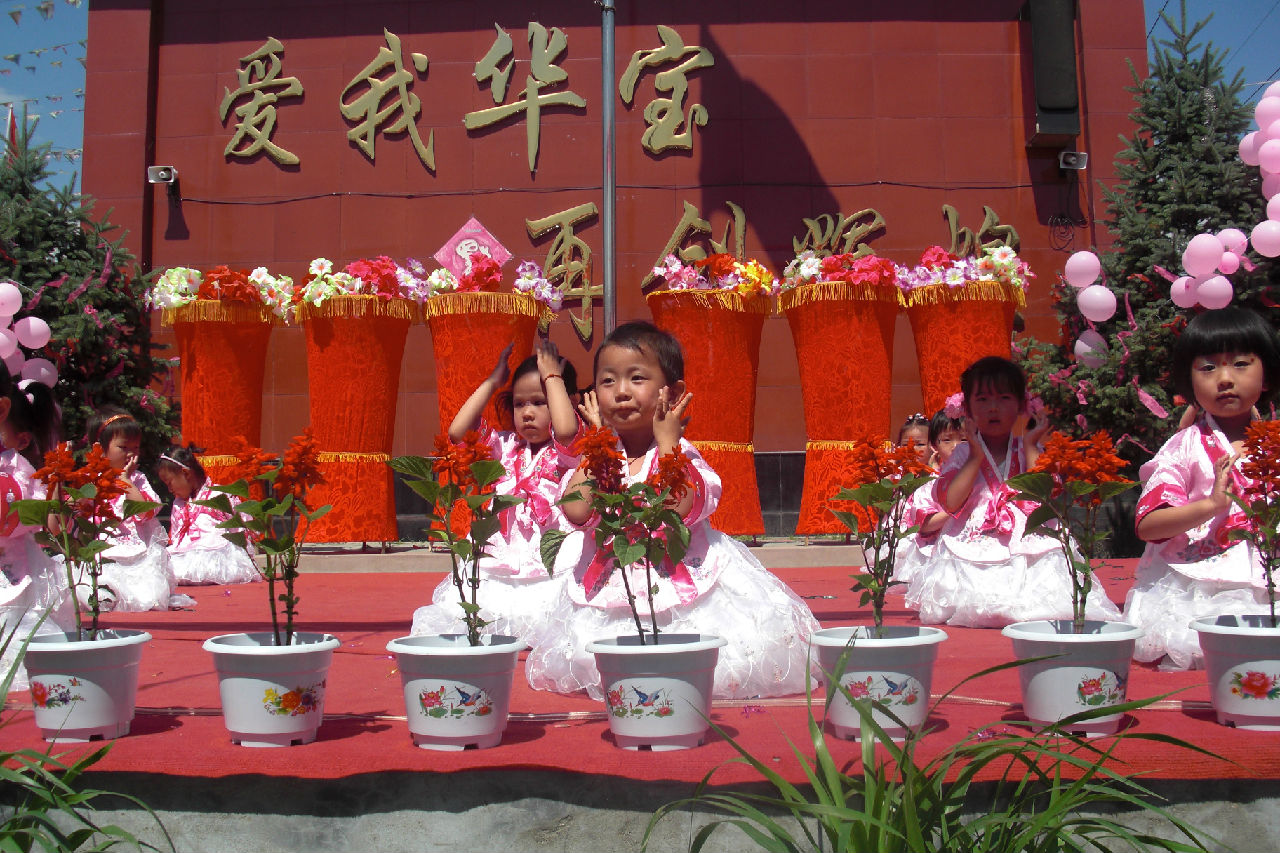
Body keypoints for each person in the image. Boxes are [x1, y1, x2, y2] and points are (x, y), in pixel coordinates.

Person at [525, 320, 820, 700]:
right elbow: (579, 511)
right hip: (617, 581)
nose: (621, 392)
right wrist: (597, 448)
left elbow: (676, 508)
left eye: (636, 378)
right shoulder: (602, 455)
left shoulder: (679, 452)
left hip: (677, 577)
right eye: (608, 381)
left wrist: (668, 444)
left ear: (673, 392)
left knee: (720, 657)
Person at [905, 356, 1120, 627]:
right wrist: (975, 456)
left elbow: (1044, 494)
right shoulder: (963, 452)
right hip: (974, 534)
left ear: (1021, 405)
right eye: (982, 399)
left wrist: (1031, 443)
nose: (993, 408)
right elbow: (950, 502)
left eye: (1004, 398)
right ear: (967, 409)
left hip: (1027, 529)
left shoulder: (1028, 448)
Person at [1124, 306, 1280, 670]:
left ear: (1267, 376)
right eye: (1208, 368)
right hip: (1200, 585)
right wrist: (1210, 505)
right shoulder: (1185, 447)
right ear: (1189, 384)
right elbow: (1148, 525)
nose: (1225, 379)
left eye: (1240, 364)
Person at [410, 339, 583, 644]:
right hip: (500, 565)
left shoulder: (567, 453)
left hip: (549, 569)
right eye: (519, 404)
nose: (528, 413)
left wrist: (552, 376)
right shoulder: (503, 447)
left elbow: (567, 429)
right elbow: (457, 432)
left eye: (540, 402)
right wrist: (492, 382)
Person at [0, 369, 74, 691]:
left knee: (19, 628)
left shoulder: (18, 469)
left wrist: (56, 484)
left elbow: (48, 524)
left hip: (16, 567)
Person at [81, 409, 192, 612]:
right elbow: (79, 512)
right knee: (96, 589)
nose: (131, 453)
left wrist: (125, 481)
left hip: (137, 554)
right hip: (103, 553)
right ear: (100, 448)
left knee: (146, 595)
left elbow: (146, 512)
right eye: (123, 447)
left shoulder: (137, 479)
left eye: (136, 447)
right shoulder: (89, 478)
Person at [158, 445, 261, 586]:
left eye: (170, 483)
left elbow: (239, 526)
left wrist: (245, 551)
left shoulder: (218, 495)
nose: (169, 489)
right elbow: (177, 535)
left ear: (186, 474)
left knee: (211, 567)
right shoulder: (178, 504)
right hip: (185, 552)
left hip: (215, 550)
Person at [892, 409, 966, 587]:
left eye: (964, 439)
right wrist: (960, 509)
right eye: (947, 440)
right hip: (941, 546)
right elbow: (923, 525)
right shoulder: (931, 483)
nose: (956, 446)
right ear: (935, 445)